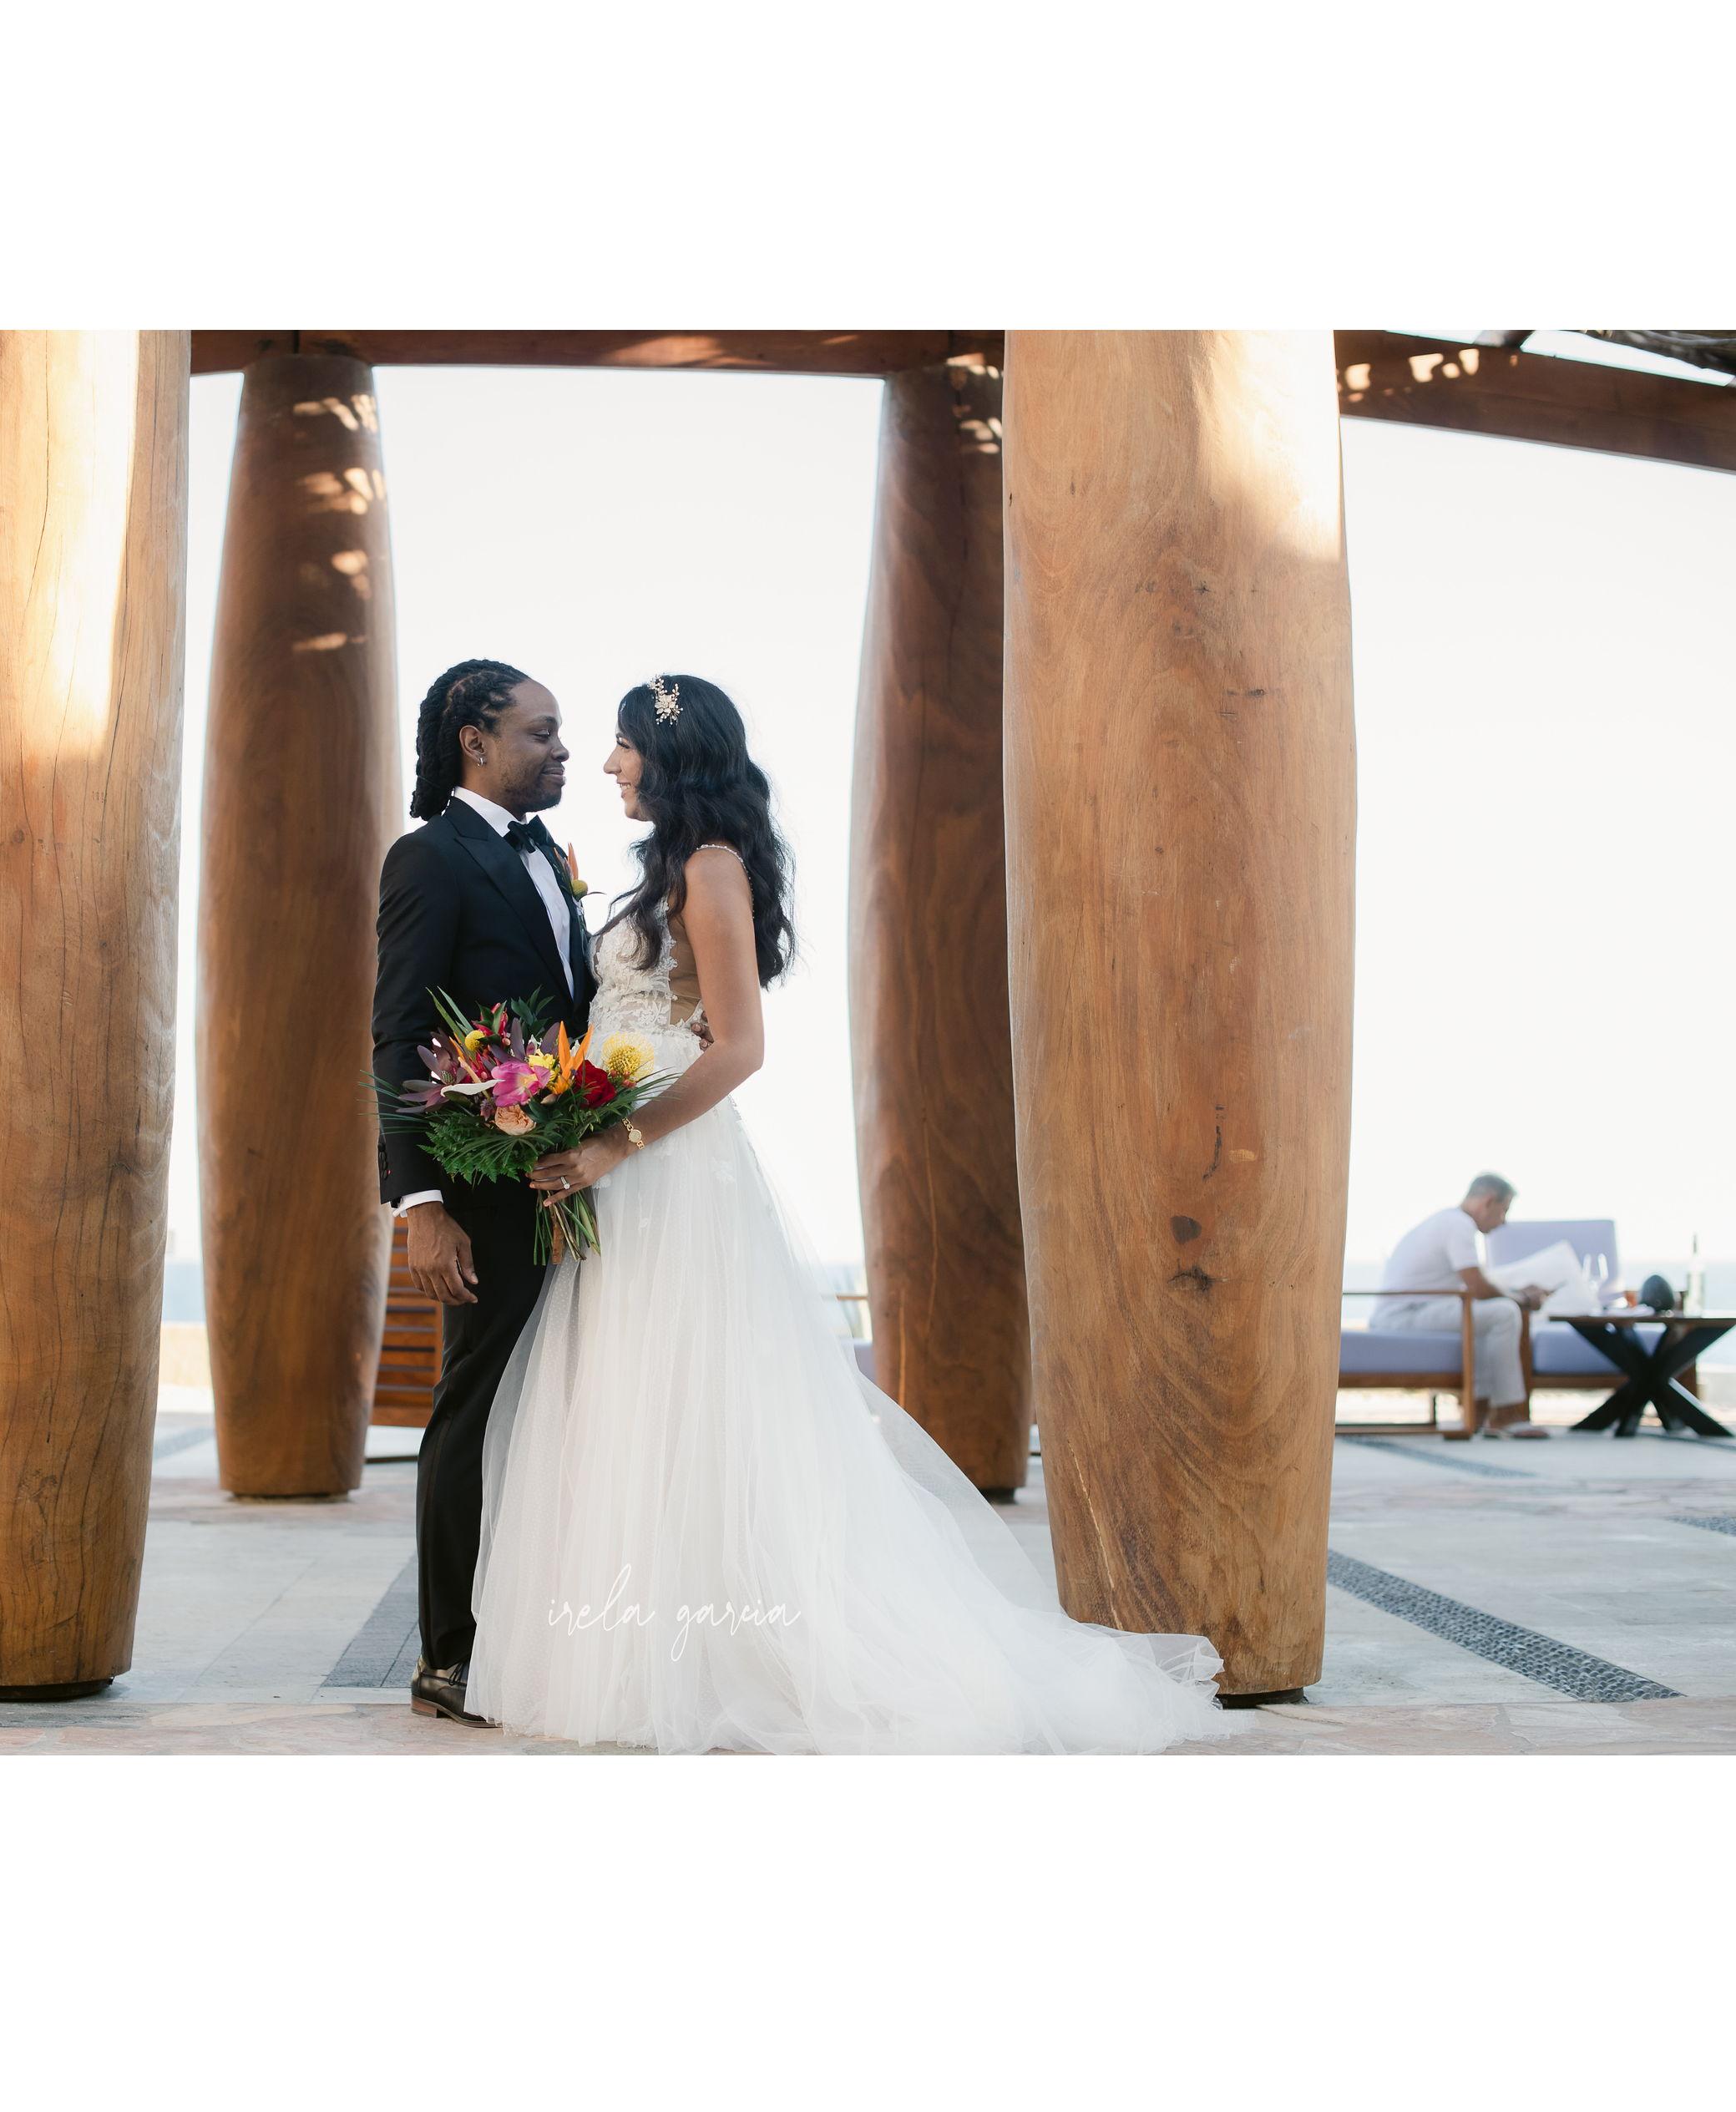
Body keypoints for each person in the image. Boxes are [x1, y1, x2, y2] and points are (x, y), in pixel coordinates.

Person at [461, 672, 1240, 1754]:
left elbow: (740, 1046)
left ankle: (726, 1653)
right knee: (631, 1393)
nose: (606, 765)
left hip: (667, 1168)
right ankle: (639, 1648)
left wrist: (612, 1143)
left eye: (623, 746)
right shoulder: (662, 870)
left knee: (694, 1391)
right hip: (621, 1168)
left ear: (670, 755)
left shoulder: (711, 866)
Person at [372, 659, 600, 1727]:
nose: (562, 750)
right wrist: (420, 1205)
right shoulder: (428, 857)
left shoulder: (548, 853)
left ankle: (540, 1636)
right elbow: (398, 1032)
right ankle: (450, 1655)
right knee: (475, 1407)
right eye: (541, 732)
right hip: (481, 1185)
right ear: (476, 740)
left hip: (569, 1176)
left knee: (557, 1411)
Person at [1369, 1174, 1548, 1439]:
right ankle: (1506, 1414)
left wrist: (1516, 1293)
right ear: (1488, 1202)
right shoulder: (1458, 1225)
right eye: (1504, 1210)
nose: (1503, 1221)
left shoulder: (1448, 1220)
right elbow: (1478, 1286)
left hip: (1410, 1311)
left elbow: (1476, 1287)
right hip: (1403, 1315)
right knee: (1505, 1313)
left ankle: (1478, 1412)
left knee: (1487, 1317)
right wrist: (1522, 1299)